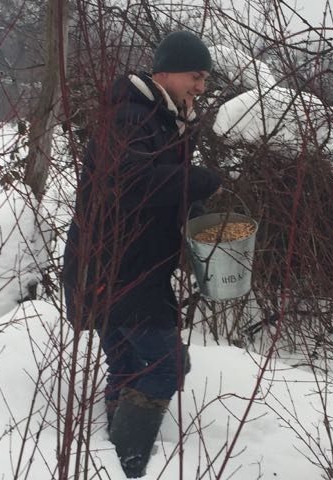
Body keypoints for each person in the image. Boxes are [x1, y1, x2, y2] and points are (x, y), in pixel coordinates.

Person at [61, 30, 222, 478]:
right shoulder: (132, 117)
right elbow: (129, 185)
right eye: (195, 76)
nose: (201, 88)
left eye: (205, 79)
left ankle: (113, 454)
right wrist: (197, 180)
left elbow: (158, 183)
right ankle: (130, 464)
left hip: (121, 268)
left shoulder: (162, 120)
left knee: (129, 365)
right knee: (167, 364)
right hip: (117, 270)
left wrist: (194, 210)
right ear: (164, 72)